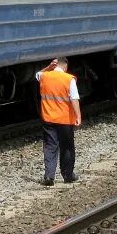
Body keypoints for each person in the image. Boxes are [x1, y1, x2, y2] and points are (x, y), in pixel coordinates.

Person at [35, 57, 81, 186]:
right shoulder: (69, 79)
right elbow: (74, 99)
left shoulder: (45, 76)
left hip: (48, 118)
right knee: (67, 147)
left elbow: (37, 74)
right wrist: (78, 116)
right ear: (65, 67)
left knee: (50, 147)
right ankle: (68, 176)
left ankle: (49, 176)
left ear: (55, 66)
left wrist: (48, 67)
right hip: (65, 120)